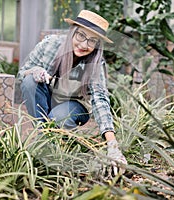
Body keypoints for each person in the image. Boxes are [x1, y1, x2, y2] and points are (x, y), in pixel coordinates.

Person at [18, 10, 127, 174]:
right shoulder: (50, 45)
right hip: (46, 99)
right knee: (29, 82)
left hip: (74, 107)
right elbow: (22, 74)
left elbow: (100, 99)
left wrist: (113, 146)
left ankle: (42, 148)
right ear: (72, 31)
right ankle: (47, 146)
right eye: (81, 36)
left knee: (57, 118)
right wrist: (35, 70)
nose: (84, 45)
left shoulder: (96, 64)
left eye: (92, 41)